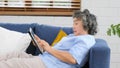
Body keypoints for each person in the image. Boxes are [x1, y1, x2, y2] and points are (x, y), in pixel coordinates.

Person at [0, 9, 97, 68]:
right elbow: (56, 52)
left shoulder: (85, 40)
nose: (73, 27)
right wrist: (41, 45)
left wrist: (49, 48)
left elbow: (72, 59)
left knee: (11, 63)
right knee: (14, 54)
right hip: (44, 59)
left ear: (86, 25)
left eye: (76, 24)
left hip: (48, 65)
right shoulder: (73, 36)